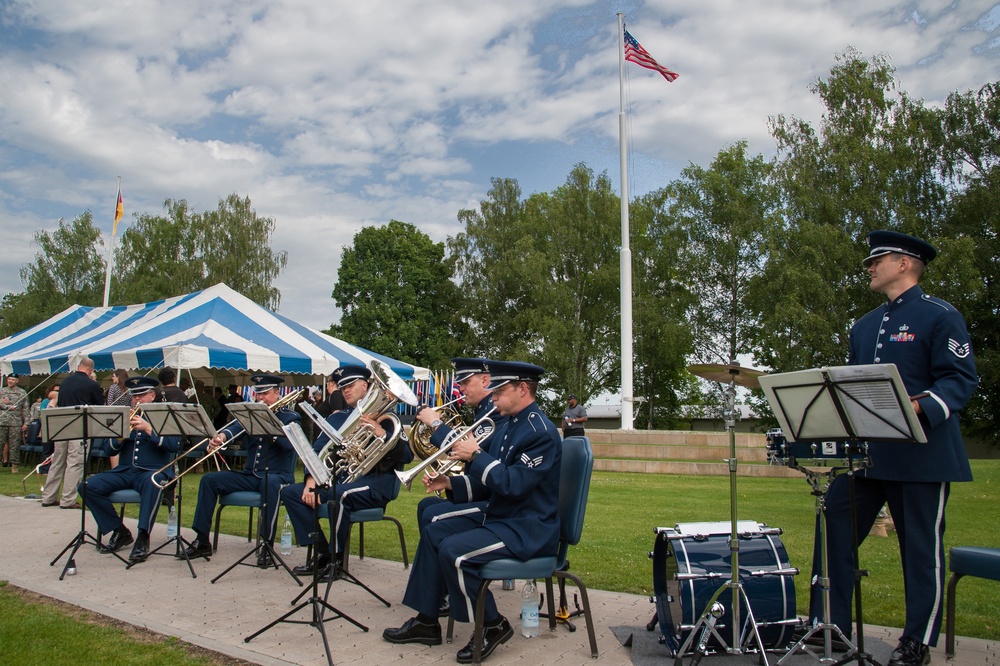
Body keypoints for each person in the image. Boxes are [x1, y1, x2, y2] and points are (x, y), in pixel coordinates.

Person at [805, 231, 978, 666]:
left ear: (905, 264)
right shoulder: (863, 326)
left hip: (924, 456)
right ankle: (832, 626)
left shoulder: (941, 316)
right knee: (833, 521)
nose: (869, 266)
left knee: (920, 551)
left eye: (876, 259)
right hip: (869, 458)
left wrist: (916, 407)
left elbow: (959, 380)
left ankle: (916, 642)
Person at [383, 360, 561, 664]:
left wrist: (476, 454)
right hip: (504, 517)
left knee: (455, 552)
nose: (493, 397)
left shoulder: (539, 431)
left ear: (522, 389)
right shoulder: (513, 422)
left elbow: (513, 485)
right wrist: (449, 483)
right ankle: (427, 621)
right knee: (434, 529)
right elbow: (492, 485)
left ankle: (493, 624)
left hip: (527, 528)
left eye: (500, 391)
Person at [281, 364, 412, 580]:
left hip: (375, 485)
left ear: (366, 385)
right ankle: (322, 553)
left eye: (350, 385)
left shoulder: (387, 418)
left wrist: (381, 434)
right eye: (342, 388)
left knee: (337, 496)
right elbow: (316, 452)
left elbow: (406, 456)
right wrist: (311, 482)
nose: (346, 391)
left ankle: (336, 561)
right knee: (290, 494)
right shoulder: (337, 418)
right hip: (342, 482)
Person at [410, 357, 510, 616]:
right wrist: (449, 483)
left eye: (465, 382)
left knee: (434, 516)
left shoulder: (495, 413)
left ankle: (435, 601)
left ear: (486, 381)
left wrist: (435, 424)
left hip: (499, 506)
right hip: (489, 492)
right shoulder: (486, 410)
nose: (460, 389)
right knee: (427, 506)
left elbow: (471, 452)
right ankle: (439, 588)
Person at [182, 374, 301, 566]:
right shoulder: (250, 413)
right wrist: (220, 437)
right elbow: (235, 428)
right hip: (251, 475)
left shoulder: (290, 416)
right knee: (209, 480)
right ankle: (202, 539)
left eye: (266, 393)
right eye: (258, 393)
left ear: (277, 393)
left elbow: (292, 447)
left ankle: (267, 545)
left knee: (269, 483)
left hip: (278, 476)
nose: (261, 398)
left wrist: (271, 427)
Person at [79, 377, 181, 563]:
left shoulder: (164, 415)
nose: (137, 400)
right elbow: (108, 450)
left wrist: (149, 430)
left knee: (152, 482)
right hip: (126, 470)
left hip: (153, 470)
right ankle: (120, 530)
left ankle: (143, 536)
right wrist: (119, 436)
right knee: (87, 486)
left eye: (141, 395)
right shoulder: (123, 416)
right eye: (134, 396)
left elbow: (174, 445)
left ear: (152, 395)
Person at [41, 357, 103, 509]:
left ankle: (48, 497)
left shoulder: (65, 382)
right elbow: (99, 407)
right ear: (91, 370)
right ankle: (68, 499)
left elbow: (61, 403)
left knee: (57, 461)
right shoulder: (91, 384)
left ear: (79, 366)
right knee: (75, 463)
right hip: (80, 427)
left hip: (62, 426)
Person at [0, 374, 29, 473]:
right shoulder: (2, 391)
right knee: (0, 443)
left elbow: (26, 408)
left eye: (13, 379)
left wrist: (26, 423)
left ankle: (14, 465)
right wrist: (6, 406)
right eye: (9, 379)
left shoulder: (22, 392)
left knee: (14, 445)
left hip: (15, 422)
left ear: (17, 381)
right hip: (2, 421)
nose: (10, 381)